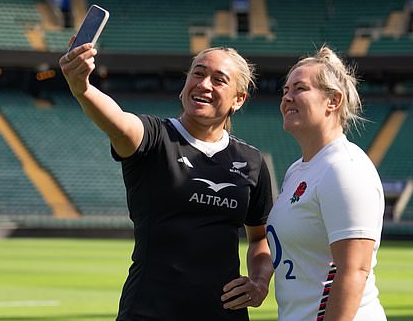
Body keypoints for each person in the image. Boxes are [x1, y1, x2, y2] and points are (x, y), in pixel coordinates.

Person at [59, 41, 274, 321]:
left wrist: (259, 282)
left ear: (238, 99)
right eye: (198, 74)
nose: (204, 84)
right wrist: (83, 89)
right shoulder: (155, 137)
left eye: (219, 80)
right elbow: (118, 123)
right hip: (149, 311)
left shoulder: (251, 161)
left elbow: (260, 237)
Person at [266, 46, 387, 321]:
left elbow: (354, 271)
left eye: (300, 89)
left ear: (333, 100)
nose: (287, 97)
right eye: (285, 91)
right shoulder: (298, 170)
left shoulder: (345, 168)